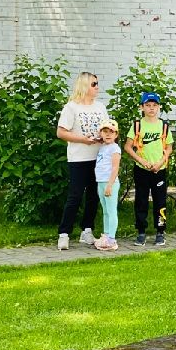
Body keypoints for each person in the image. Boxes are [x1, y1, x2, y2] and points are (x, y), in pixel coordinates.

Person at [55, 71, 112, 250]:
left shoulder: (100, 107)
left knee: (94, 196)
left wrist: (105, 138)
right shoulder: (71, 107)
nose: (97, 87)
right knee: (75, 195)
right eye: (94, 84)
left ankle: (87, 230)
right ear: (84, 85)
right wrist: (83, 139)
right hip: (79, 158)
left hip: (99, 158)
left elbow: (107, 129)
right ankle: (64, 233)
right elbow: (61, 132)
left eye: (97, 83)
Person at [125, 91, 173, 247]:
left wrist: (160, 162)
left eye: (154, 105)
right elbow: (128, 147)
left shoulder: (164, 126)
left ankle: (160, 232)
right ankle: (141, 232)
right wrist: (141, 160)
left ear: (159, 107)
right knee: (141, 201)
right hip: (142, 169)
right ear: (142, 107)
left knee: (160, 201)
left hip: (159, 169)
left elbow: (169, 147)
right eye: (148, 105)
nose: (151, 108)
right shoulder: (137, 125)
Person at [93, 119, 121, 251]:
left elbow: (115, 168)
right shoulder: (102, 147)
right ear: (101, 133)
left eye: (111, 132)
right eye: (105, 131)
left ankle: (111, 239)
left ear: (116, 134)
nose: (108, 134)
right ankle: (106, 235)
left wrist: (110, 185)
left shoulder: (115, 148)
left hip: (110, 183)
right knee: (105, 211)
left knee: (111, 210)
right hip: (101, 182)